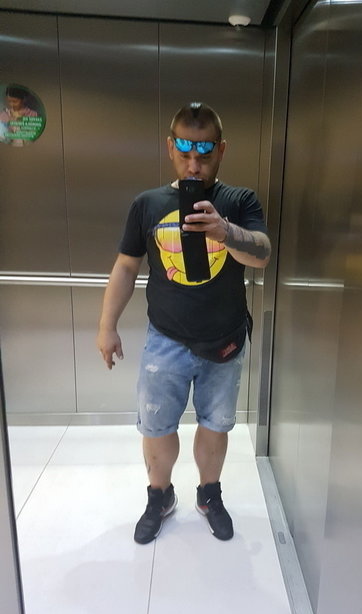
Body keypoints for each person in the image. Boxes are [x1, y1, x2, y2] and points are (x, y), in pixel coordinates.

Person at [96, 102, 271, 544]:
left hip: (225, 340)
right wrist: (106, 325)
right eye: (186, 152)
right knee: (156, 427)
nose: (194, 165)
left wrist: (224, 231)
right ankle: (159, 496)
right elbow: (125, 266)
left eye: (205, 153)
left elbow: (262, 255)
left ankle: (209, 494)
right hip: (165, 340)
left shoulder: (239, 201)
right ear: (170, 148)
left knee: (216, 424)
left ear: (221, 150)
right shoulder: (148, 204)